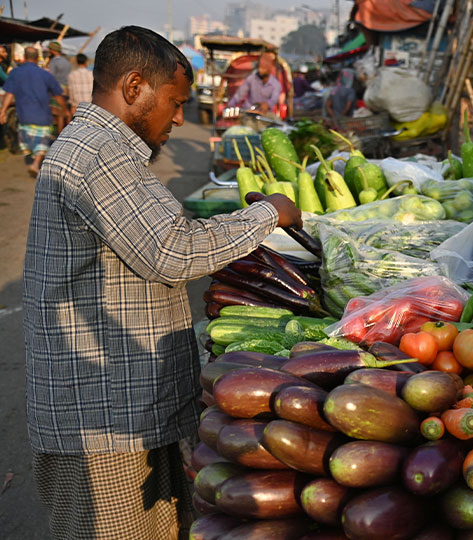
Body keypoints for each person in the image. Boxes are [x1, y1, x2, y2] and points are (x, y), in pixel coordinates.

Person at [22, 26, 301, 540]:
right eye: (174, 102)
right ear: (133, 87)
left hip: (129, 404)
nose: (178, 117)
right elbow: (171, 251)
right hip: (104, 418)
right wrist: (269, 214)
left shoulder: (109, 149)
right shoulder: (98, 151)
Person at [0, 46, 70, 175]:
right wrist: (65, 110)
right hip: (42, 116)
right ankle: (35, 163)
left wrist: (3, 111)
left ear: (25, 58)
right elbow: (58, 95)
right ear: (38, 58)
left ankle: (34, 160)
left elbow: (9, 93)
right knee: (42, 143)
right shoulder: (45, 74)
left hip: (23, 115)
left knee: (29, 141)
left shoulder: (15, 73)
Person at [46, 41, 72, 132]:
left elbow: (51, 76)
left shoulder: (53, 62)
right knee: (64, 112)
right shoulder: (66, 61)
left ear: (52, 50)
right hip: (66, 89)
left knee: (58, 114)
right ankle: (65, 132)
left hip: (57, 89)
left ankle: (59, 133)